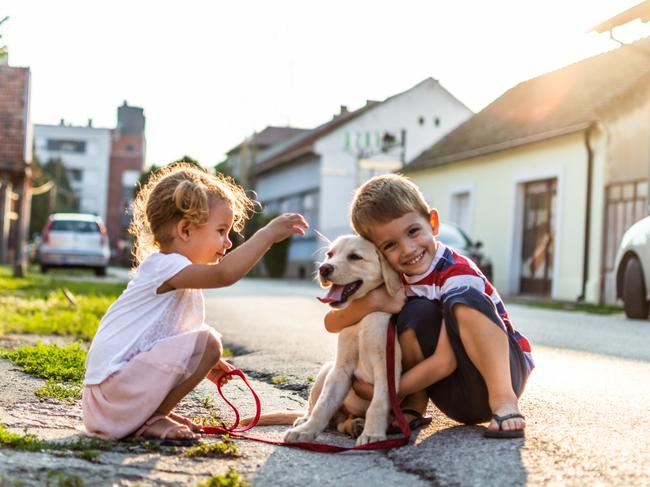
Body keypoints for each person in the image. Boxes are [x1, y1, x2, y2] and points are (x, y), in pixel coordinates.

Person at [82, 163, 308, 444]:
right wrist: (267, 235)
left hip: (109, 398)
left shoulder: (171, 271)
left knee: (207, 346)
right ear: (186, 230)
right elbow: (224, 274)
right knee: (210, 341)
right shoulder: (166, 266)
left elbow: (157, 338)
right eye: (222, 231)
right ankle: (153, 418)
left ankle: (150, 415)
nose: (228, 243)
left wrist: (206, 361)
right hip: (113, 393)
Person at [323, 174, 533, 438]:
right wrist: (376, 301)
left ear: (433, 222)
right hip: (454, 397)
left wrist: (387, 389)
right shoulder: (393, 280)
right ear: (377, 252)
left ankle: (504, 401)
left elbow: (445, 361)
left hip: (502, 372)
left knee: (464, 298)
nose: (408, 249)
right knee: (416, 313)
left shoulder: (457, 272)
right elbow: (332, 323)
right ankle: (414, 406)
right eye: (390, 245)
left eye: (413, 232)